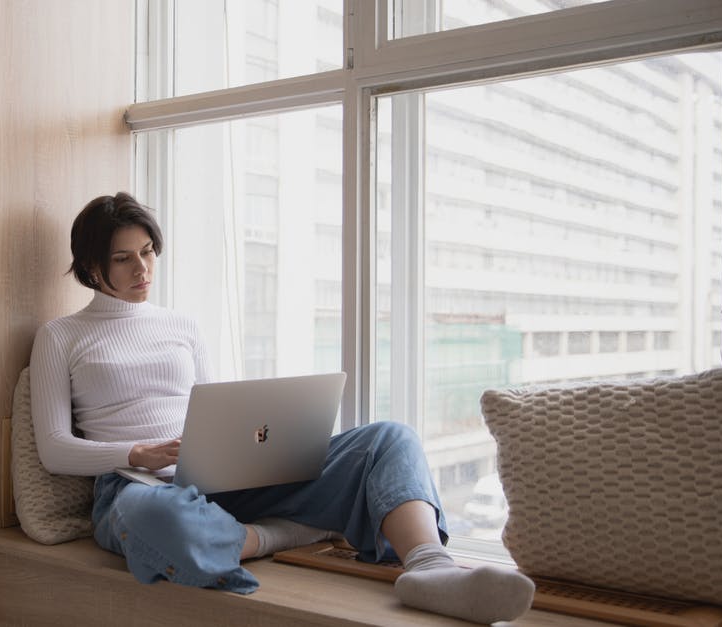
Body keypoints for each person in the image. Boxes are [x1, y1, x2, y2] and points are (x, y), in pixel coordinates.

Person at [29, 192, 535, 624]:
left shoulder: (181, 325)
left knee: (389, 438)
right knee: (160, 520)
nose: (142, 268)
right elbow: (53, 449)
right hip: (134, 489)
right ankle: (281, 533)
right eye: (123, 258)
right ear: (92, 267)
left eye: (147, 252)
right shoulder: (61, 336)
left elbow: (214, 410)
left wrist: (252, 441)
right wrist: (136, 454)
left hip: (211, 479)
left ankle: (430, 568)